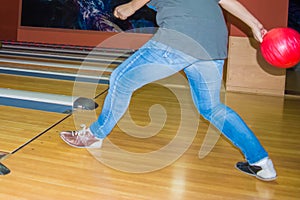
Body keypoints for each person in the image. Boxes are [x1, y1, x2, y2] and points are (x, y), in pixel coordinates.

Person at [60, 0, 277, 181]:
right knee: (211, 107)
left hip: (180, 37)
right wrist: (255, 25)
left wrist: (131, 7)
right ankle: (260, 162)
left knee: (121, 79)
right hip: (212, 42)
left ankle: (94, 135)